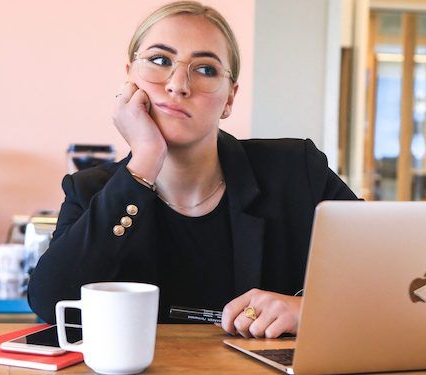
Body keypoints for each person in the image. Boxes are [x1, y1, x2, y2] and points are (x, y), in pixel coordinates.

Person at [27, 1, 358, 339]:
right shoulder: (90, 190)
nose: (178, 84)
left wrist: (308, 311)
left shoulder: (296, 170)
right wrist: (144, 161)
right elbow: (51, 303)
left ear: (230, 98)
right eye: (160, 61)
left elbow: (393, 276)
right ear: (130, 78)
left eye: (205, 69)